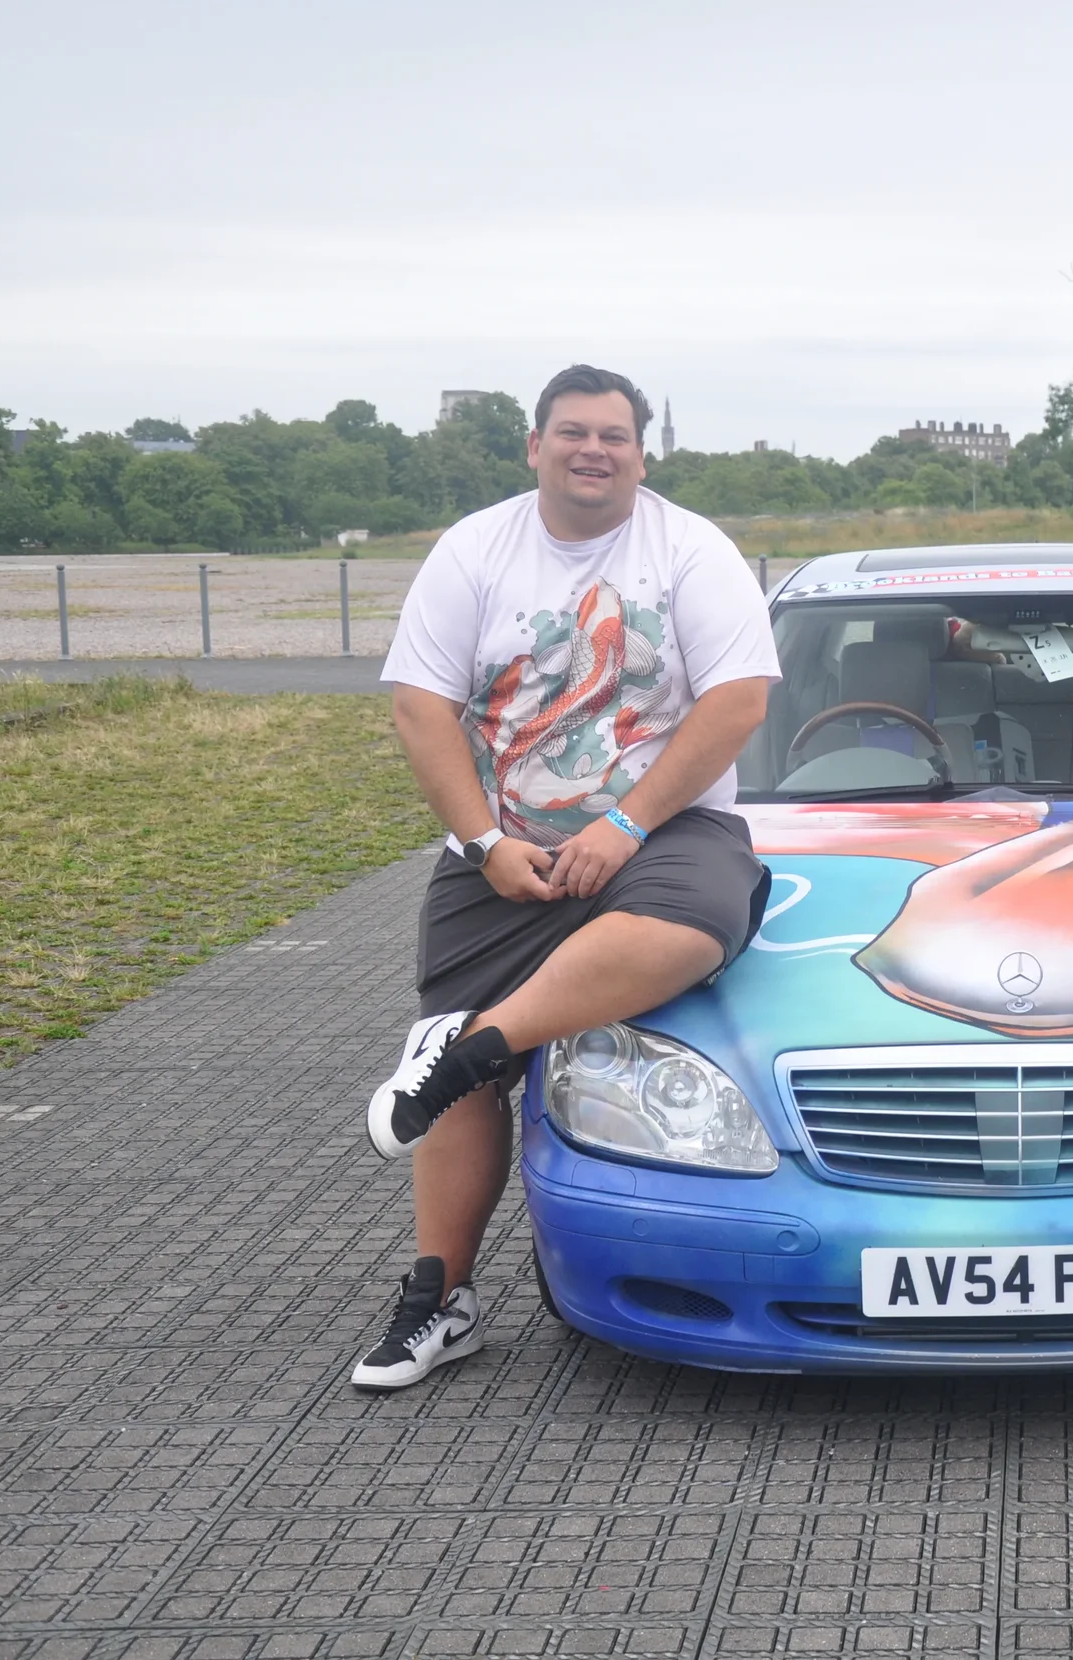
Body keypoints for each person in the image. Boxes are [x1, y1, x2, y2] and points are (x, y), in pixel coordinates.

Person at [353, 364, 780, 1390]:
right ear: (533, 445)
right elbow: (421, 706)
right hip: (506, 839)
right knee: (451, 1074)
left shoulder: (690, 549)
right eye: (574, 433)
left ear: (642, 453)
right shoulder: (475, 550)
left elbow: (737, 701)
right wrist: (482, 843)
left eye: (616, 437)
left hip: (664, 826)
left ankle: (471, 1048)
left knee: (699, 920)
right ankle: (437, 1302)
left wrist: (628, 824)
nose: (595, 450)